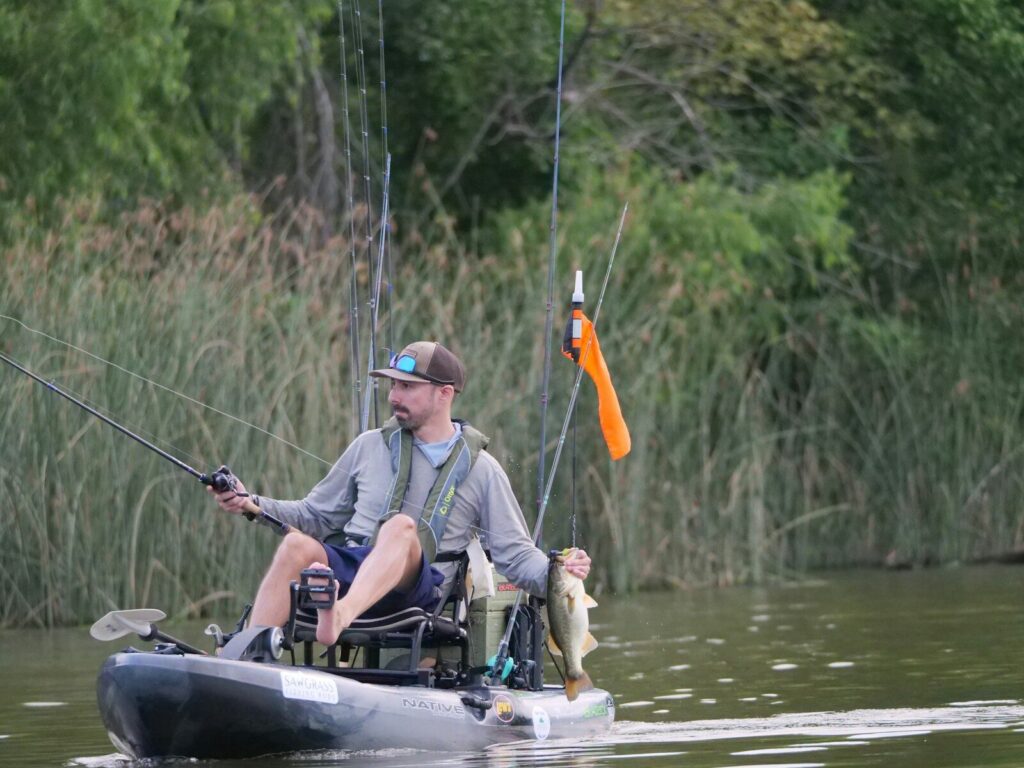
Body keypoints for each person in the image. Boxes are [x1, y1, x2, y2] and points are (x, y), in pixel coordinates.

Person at [211, 340, 591, 646]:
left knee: (400, 528)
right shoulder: (367, 445)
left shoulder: (483, 471)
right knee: (296, 546)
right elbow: (315, 516)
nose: (394, 396)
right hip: (353, 570)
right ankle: (246, 657)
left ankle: (338, 616)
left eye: (407, 387)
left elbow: (517, 556)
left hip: (419, 589)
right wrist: (253, 504)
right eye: (392, 385)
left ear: (444, 394)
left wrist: (563, 571)